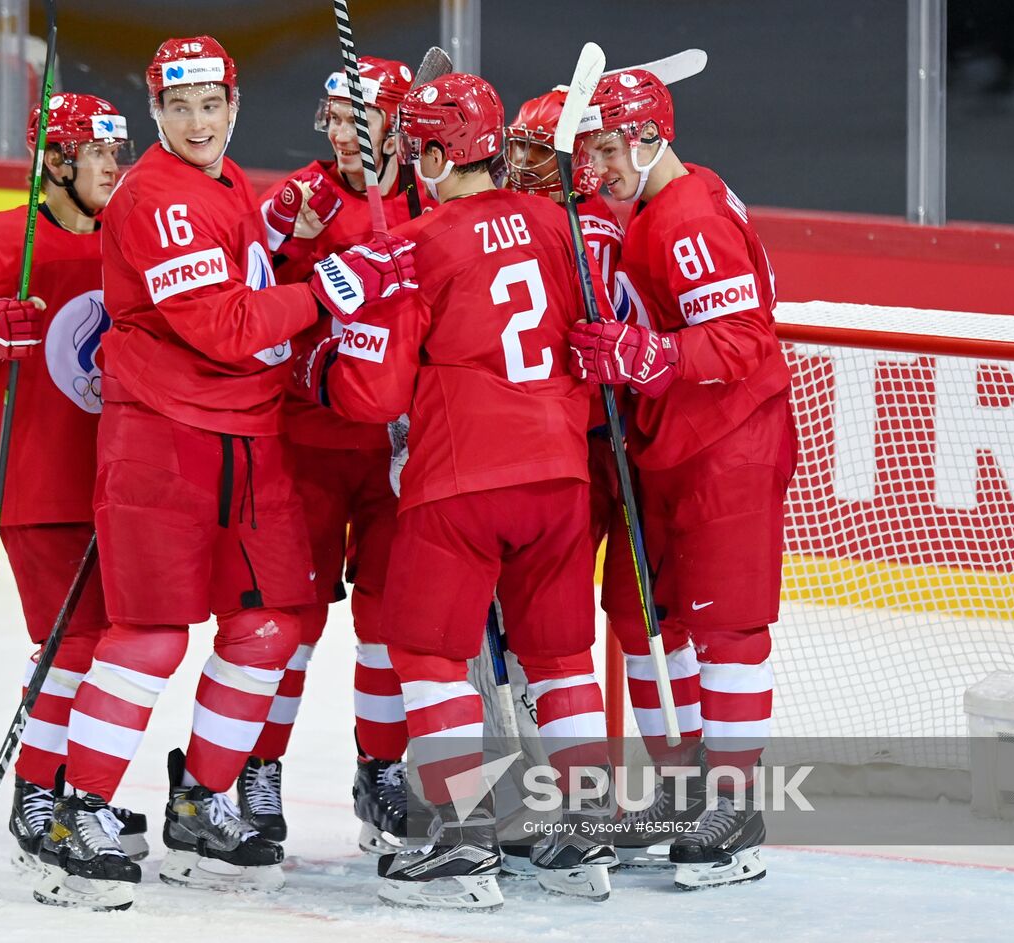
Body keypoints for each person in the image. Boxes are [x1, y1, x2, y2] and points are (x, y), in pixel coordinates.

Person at [34, 35, 417, 907]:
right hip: (165, 442)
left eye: (213, 105)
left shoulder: (237, 185)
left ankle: (204, 797)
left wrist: (297, 251)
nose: (199, 122)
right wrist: (329, 287)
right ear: (155, 113)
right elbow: (223, 324)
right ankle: (78, 808)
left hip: (248, 440)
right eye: (180, 107)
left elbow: (257, 293)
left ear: (234, 107)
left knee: (273, 622)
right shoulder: (158, 199)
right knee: (153, 634)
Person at [291, 72, 615, 910]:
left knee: (430, 652)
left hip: (461, 479)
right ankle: (582, 839)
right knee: (559, 655)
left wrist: (321, 365)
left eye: (414, 149)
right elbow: (590, 330)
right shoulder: (558, 223)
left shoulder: (418, 244)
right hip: (560, 476)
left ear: (434, 154)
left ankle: (461, 842)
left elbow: (377, 395)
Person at [568, 67, 797, 890]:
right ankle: (683, 788)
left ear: (649, 138)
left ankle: (734, 808)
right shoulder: (656, 207)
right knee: (643, 617)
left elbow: (743, 341)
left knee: (728, 626)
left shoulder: (688, 218)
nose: (596, 166)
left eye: (606, 146)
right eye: (590, 148)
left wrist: (651, 355)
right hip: (672, 443)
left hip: (729, 445)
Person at [0, 92, 148, 890]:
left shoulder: (131, 236)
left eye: (119, 152)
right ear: (55, 161)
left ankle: (65, 787)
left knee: (113, 646)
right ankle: (41, 795)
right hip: (40, 484)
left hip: (123, 478)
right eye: (98, 154)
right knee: (76, 646)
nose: (115, 168)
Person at [505, 85, 707, 869]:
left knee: (594, 624)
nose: (522, 164)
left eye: (538, 149)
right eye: (516, 147)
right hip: (594, 443)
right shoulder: (588, 218)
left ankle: (642, 787)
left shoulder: (573, 224)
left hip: (586, 448)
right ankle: (647, 785)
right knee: (601, 624)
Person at [237, 55, 433, 856]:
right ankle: (258, 767)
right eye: (335, 119)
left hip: (400, 454)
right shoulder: (297, 199)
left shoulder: (429, 198)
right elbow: (246, 304)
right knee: (291, 621)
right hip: (308, 443)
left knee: (389, 623)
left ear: (397, 123)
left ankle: (381, 768)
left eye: (360, 118)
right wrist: (284, 242)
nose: (345, 135)